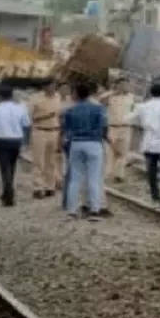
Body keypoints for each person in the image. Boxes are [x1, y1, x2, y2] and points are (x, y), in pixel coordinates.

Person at [60, 82, 108, 221]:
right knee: (94, 178)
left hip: (76, 143)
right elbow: (103, 126)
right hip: (94, 143)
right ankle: (94, 211)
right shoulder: (99, 109)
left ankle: (72, 211)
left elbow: (66, 129)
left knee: (75, 179)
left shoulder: (70, 110)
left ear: (76, 94)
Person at [27, 80, 63, 199]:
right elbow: (29, 117)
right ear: (44, 86)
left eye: (54, 85)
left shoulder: (58, 97)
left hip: (54, 131)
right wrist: (45, 116)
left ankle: (50, 186)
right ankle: (37, 187)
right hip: (39, 130)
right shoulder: (35, 99)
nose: (53, 88)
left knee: (52, 161)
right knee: (38, 161)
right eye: (50, 86)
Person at [100, 75, 135, 183]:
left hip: (126, 127)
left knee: (123, 153)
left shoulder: (131, 97)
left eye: (127, 84)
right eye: (123, 84)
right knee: (110, 152)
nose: (125, 86)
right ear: (118, 85)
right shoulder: (110, 96)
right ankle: (107, 175)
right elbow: (100, 101)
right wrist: (113, 92)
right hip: (112, 127)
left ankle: (119, 175)